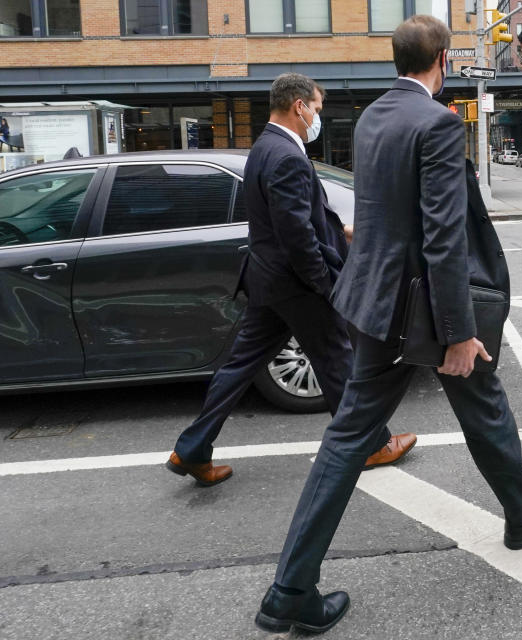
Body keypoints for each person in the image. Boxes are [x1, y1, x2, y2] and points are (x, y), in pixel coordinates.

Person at [254, 16, 522, 634]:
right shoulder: (436, 122)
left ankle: (290, 589)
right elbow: (443, 236)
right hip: (426, 311)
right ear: (445, 61)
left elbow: (385, 212)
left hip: (374, 305)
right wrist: (458, 332)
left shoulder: (374, 116)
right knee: (481, 400)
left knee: (353, 437)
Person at [166, 73, 415, 487]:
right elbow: (296, 236)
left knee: (239, 366)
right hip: (297, 284)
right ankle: (372, 443)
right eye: (316, 108)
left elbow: (296, 220)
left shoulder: (264, 147)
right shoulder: (286, 157)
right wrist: (326, 285)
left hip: (269, 281)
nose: (317, 116)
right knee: (339, 361)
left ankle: (192, 449)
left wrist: (340, 232)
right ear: (299, 106)